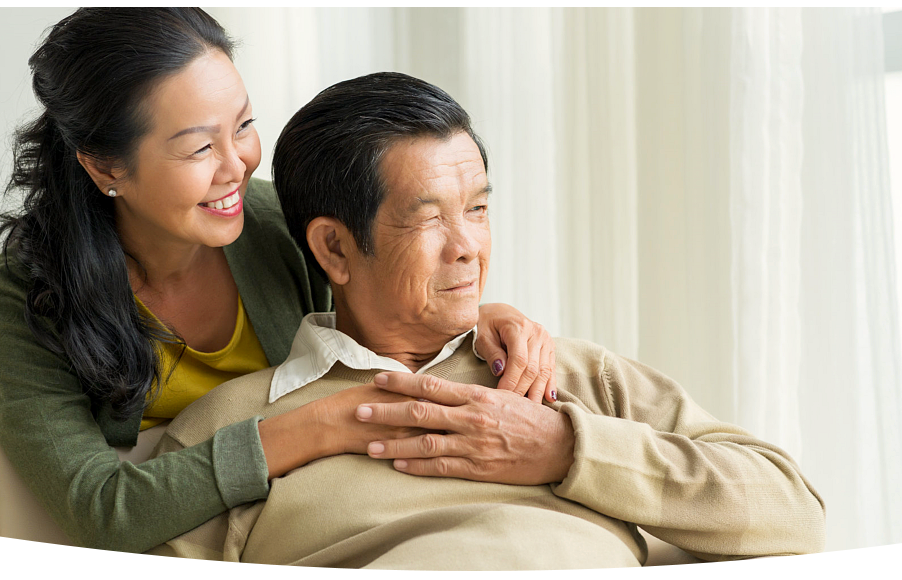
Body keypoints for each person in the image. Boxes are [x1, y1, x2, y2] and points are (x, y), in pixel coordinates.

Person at [147, 72, 826, 569]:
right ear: (334, 248)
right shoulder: (235, 428)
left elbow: (791, 509)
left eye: (476, 208)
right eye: (429, 216)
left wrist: (565, 448)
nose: (470, 245)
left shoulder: (576, 375)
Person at [0, 8, 556, 554]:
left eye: (243, 126)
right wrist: (320, 425)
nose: (238, 166)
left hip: (315, 516)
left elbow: (375, 311)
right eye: (199, 147)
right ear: (105, 166)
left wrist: (475, 313)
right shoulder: (25, 300)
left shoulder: (274, 223)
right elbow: (101, 510)